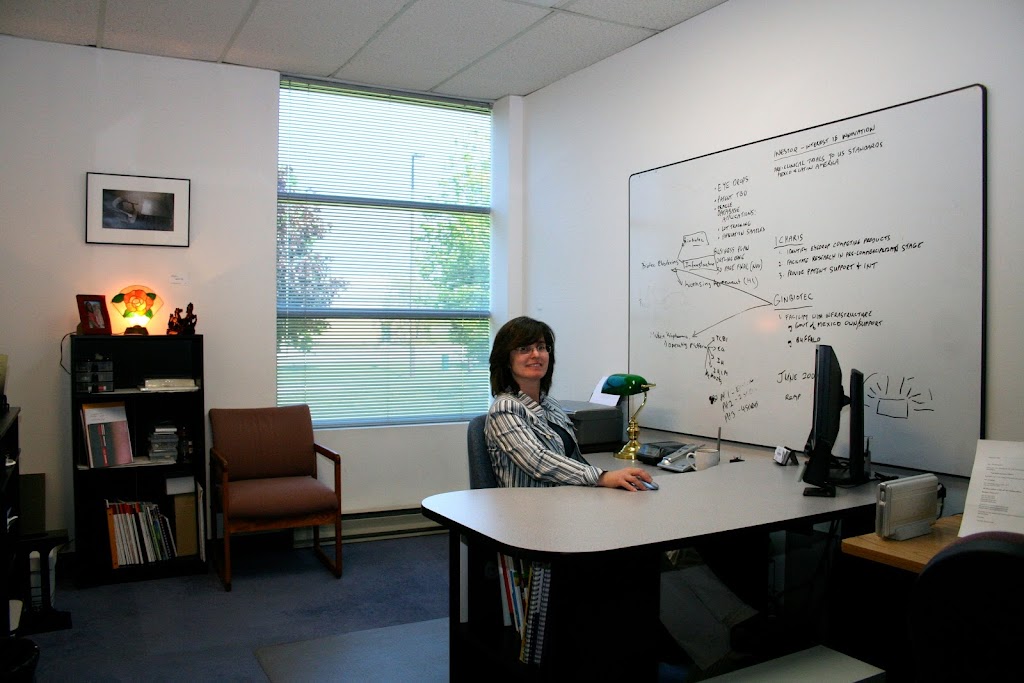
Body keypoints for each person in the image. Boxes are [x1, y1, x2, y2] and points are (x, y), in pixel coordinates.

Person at [485, 315, 653, 492]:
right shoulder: (504, 409)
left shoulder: (550, 404)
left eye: (541, 347)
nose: (536, 354)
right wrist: (601, 477)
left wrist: (614, 477)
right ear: (506, 359)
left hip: (564, 498)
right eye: (524, 349)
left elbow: (571, 458)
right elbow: (538, 461)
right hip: (528, 505)